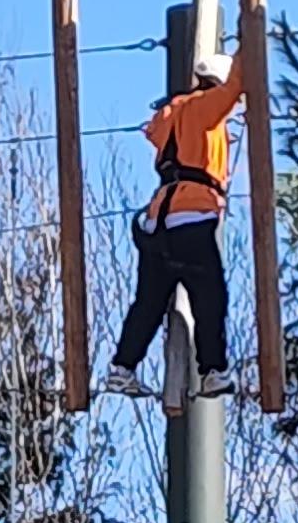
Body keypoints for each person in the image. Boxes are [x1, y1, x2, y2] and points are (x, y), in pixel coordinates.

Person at [104, 51, 246, 399]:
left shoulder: (171, 113)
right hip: (193, 215)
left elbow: (159, 133)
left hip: (159, 220)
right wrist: (249, 41)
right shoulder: (204, 108)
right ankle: (212, 370)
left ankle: (122, 368)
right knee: (209, 297)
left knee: (149, 302)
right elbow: (236, 85)